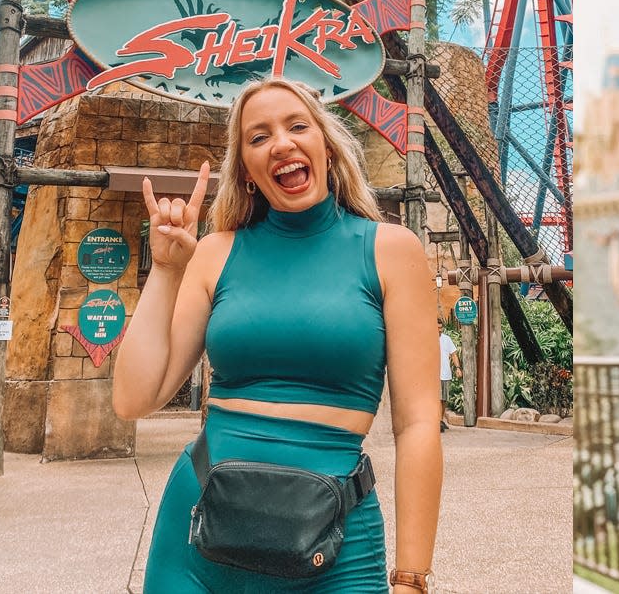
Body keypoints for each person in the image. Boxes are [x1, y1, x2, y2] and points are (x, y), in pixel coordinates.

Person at [113, 78, 441, 594]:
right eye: (258, 137)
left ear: (327, 148)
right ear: (246, 171)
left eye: (296, 126)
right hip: (197, 545)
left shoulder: (391, 251)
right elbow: (134, 398)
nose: (282, 144)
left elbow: (419, 424)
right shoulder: (215, 253)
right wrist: (166, 271)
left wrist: (412, 579)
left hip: (337, 552)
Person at [438, 319, 462, 432]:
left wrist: (458, 368)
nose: (439, 330)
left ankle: (441, 420)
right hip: (433, 375)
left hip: (445, 374)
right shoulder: (427, 338)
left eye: (441, 327)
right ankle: (437, 421)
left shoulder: (446, 339)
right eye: (437, 327)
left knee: (444, 399)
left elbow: (453, 355)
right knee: (436, 399)